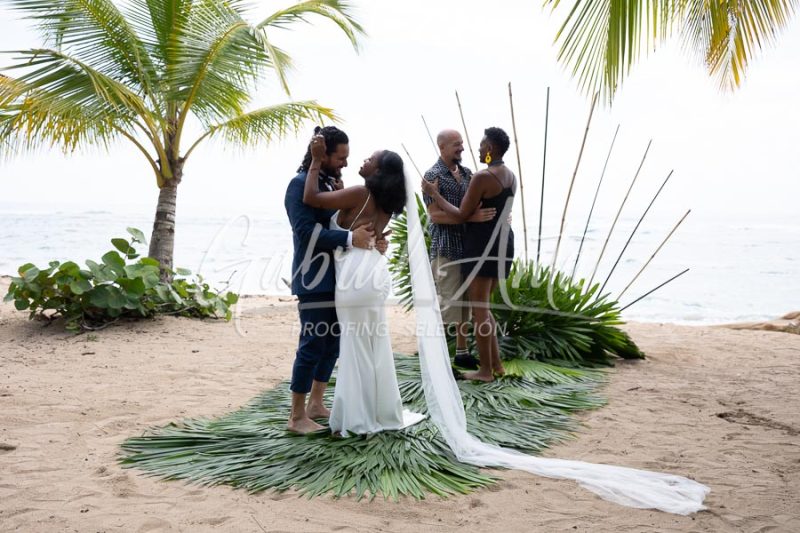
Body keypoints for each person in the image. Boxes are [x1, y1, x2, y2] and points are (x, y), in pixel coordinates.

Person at [302, 135, 425, 435]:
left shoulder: (360, 193)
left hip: (354, 276)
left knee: (354, 345)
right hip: (373, 273)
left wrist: (316, 160)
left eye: (371, 159)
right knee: (374, 343)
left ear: (378, 171)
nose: (364, 160)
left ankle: (356, 419)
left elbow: (311, 199)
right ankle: (380, 412)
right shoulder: (385, 203)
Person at [284, 126, 382, 434]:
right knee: (312, 344)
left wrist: (372, 240)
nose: (346, 163)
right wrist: (351, 239)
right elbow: (305, 232)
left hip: (340, 279)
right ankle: (296, 416)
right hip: (313, 279)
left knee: (332, 344)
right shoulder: (299, 184)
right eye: (340, 158)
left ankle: (316, 404)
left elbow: (348, 223)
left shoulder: (330, 185)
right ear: (322, 155)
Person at [421, 127, 515, 382]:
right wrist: (474, 217)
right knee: (460, 309)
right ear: (442, 147)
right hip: (458, 247)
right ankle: (491, 366)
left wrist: (436, 195)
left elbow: (465, 212)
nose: (467, 148)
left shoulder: (474, 175)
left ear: (491, 148)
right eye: (457, 144)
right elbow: (435, 216)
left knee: (479, 310)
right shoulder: (433, 175)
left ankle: (485, 370)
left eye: (469, 143)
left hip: (479, 247)